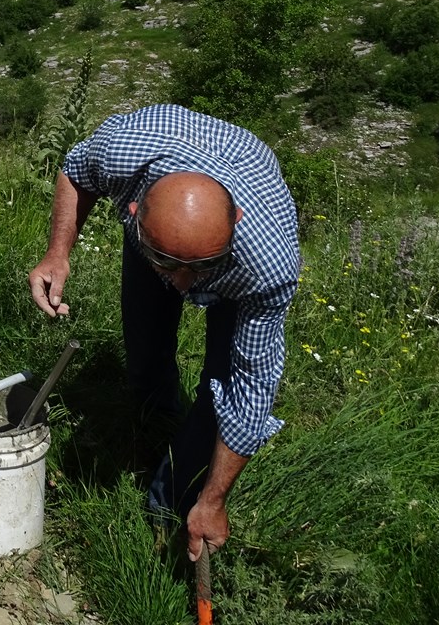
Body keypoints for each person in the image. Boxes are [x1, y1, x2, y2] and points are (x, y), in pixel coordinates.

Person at [27, 103, 299, 563]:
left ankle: (169, 503)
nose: (184, 284)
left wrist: (214, 501)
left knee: (221, 387)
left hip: (239, 261)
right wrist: (58, 253)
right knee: (146, 340)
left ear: (234, 224)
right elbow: (75, 172)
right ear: (133, 214)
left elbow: (249, 390)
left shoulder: (266, 267)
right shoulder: (121, 154)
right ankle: (152, 421)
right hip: (168, 222)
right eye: (169, 266)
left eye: (201, 268)